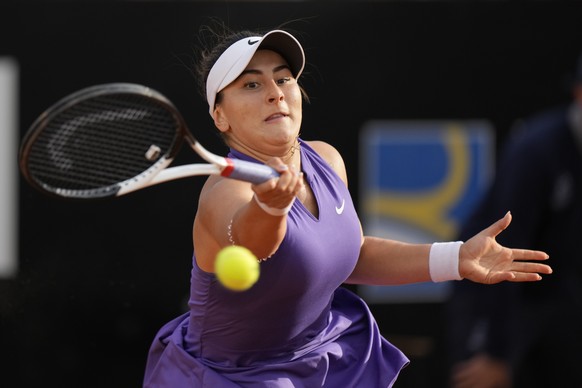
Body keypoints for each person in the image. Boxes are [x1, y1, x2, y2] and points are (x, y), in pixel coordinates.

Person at [142, 24, 552, 387]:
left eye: (283, 79)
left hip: (321, 359)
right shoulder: (224, 192)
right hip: (230, 377)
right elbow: (255, 246)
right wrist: (269, 209)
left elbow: (348, 253)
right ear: (220, 116)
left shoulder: (326, 158)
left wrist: (456, 258)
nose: (274, 93)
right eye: (251, 85)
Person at [446, 52, 582, 388]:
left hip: (556, 304)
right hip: (493, 294)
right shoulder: (537, 152)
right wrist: (496, 353)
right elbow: (503, 253)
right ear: (578, 94)